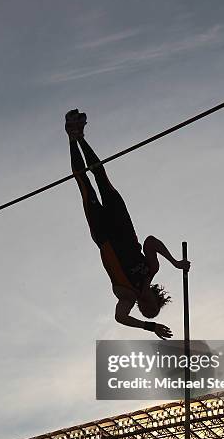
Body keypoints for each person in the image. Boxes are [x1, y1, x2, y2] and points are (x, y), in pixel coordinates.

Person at [65, 109, 190, 340]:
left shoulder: (126, 296)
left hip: (103, 234)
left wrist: (149, 327)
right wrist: (174, 262)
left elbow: (120, 318)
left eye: (145, 312)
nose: (146, 308)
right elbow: (151, 241)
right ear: (155, 298)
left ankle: (71, 138)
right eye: (152, 309)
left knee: (85, 184)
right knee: (101, 177)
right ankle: (80, 136)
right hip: (122, 223)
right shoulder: (151, 270)